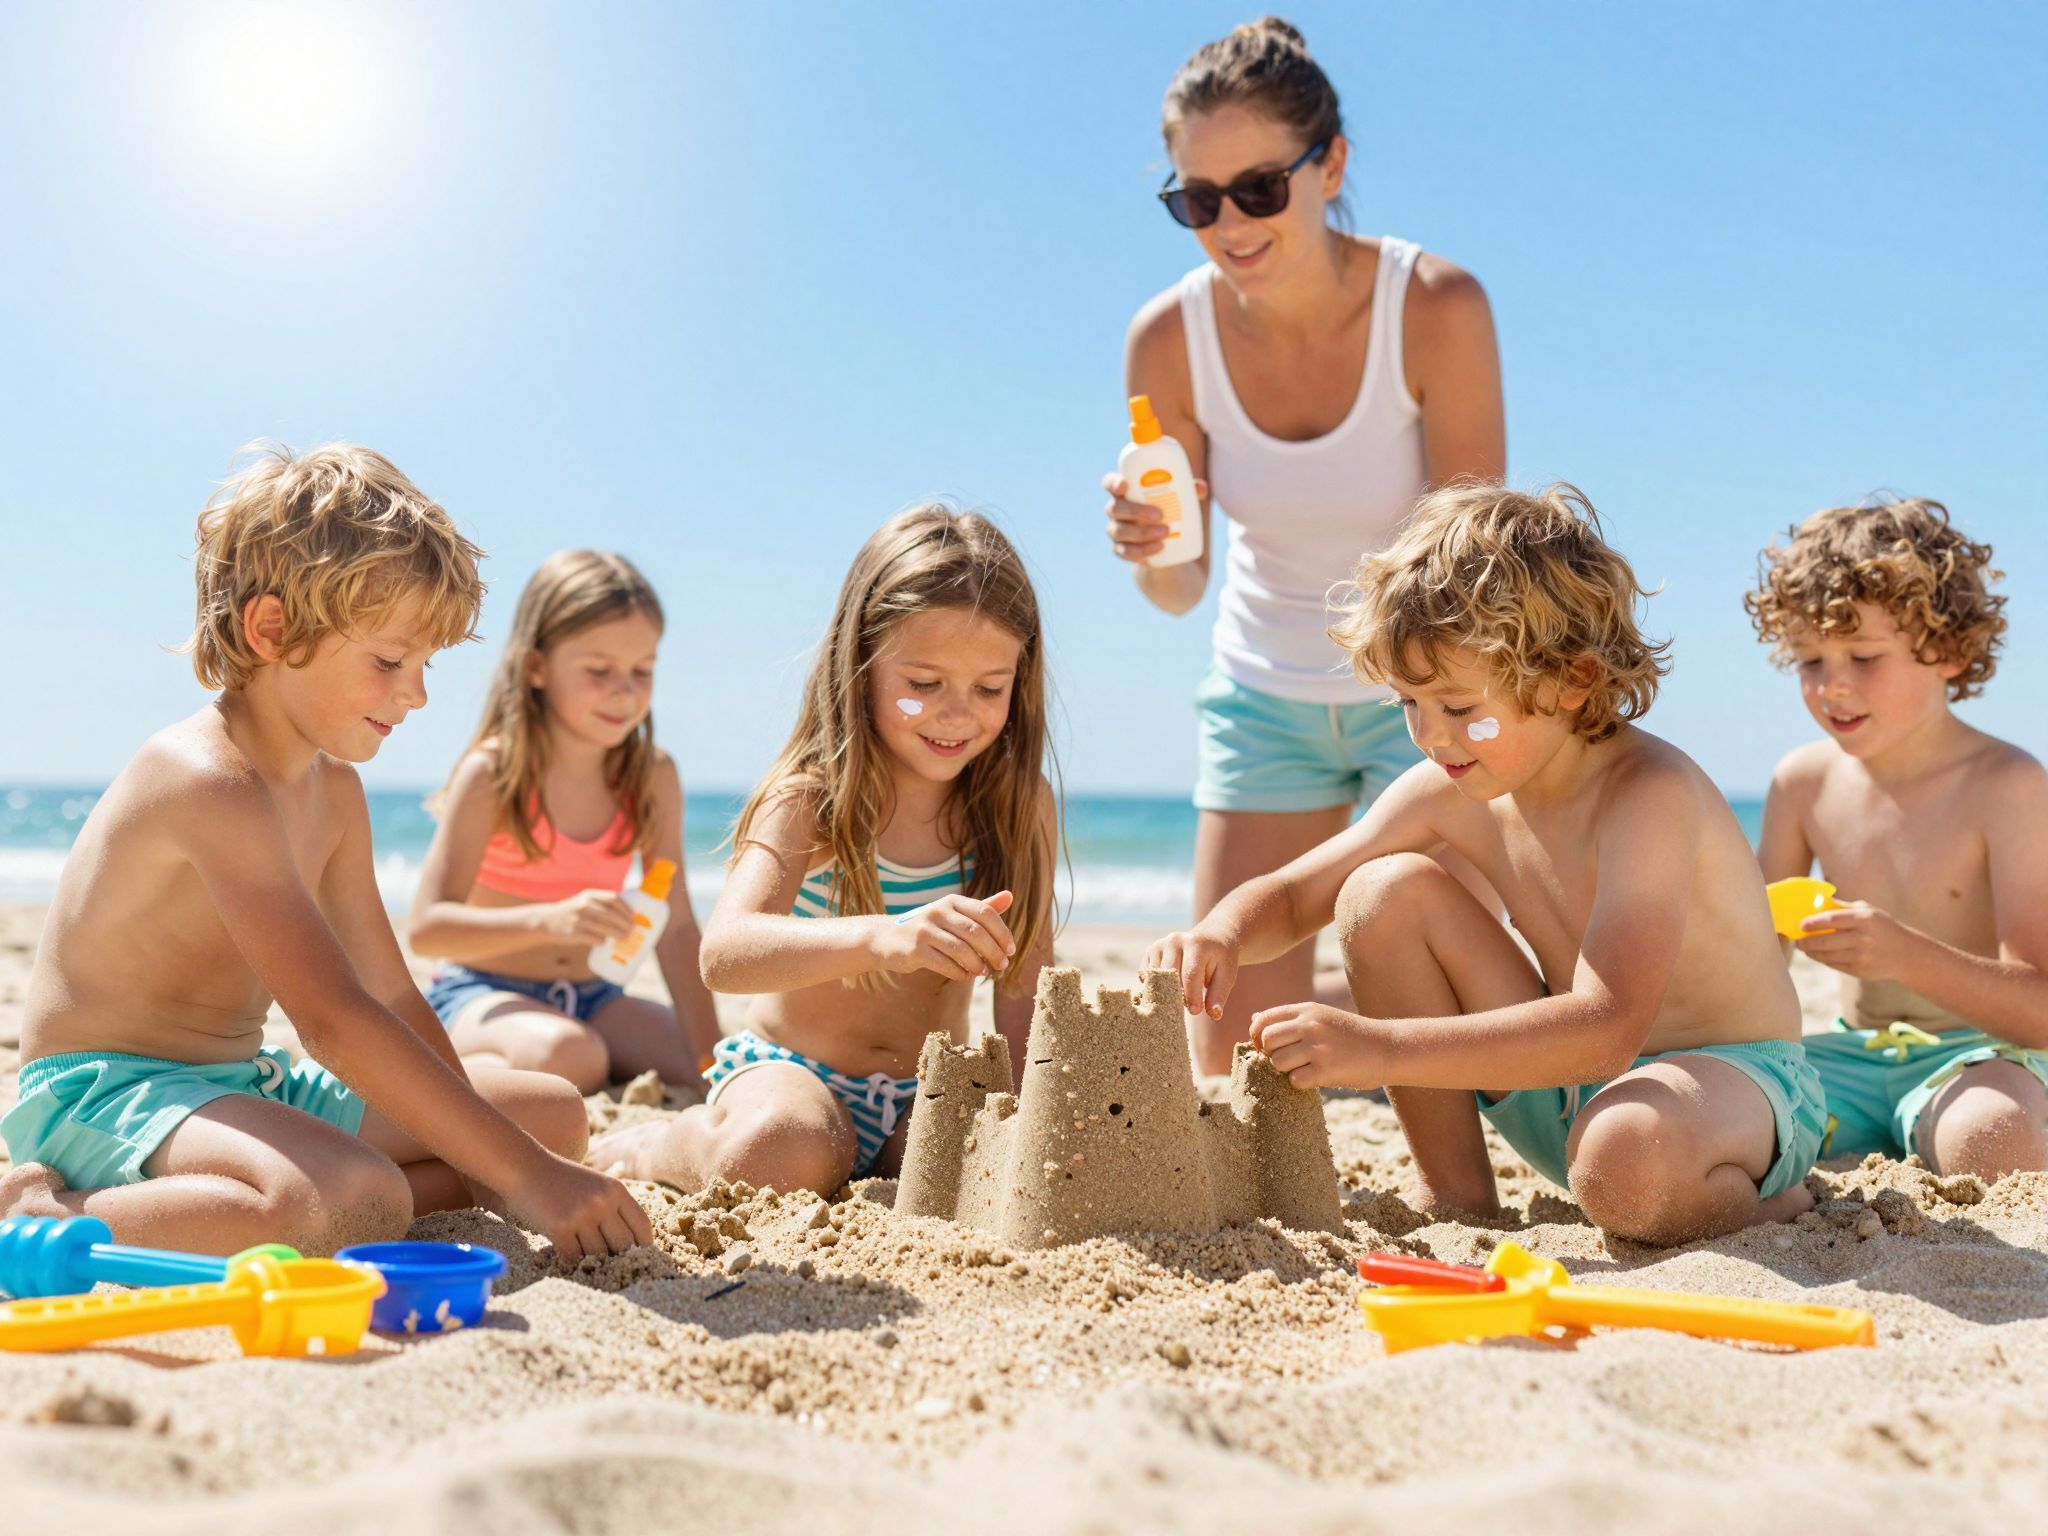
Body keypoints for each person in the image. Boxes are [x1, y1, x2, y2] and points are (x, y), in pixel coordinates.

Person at [0, 444, 651, 1261]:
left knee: (548, 1112)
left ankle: (323, 1195)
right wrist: (520, 1178)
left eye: (424, 665)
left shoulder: (334, 792)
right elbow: (335, 1021)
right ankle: (46, 1214)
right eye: (389, 661)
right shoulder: (206, 780)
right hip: (110, 1092)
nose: (417, 694)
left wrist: (499, 1151)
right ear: (272, 630)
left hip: (241, 1086)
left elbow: (391, 994)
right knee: (352, 1194)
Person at [1147, 483, 1825, 1245]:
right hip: (1570, 1088)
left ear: (1573, 680)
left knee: (1624, 1157)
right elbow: (1303, 894)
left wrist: (1377, 1049)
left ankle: (1779, 1205)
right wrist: (1224, 932)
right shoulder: (1455, 788)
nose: (1433, 738)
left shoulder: (1649, 797)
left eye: (1463, 709)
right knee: (1381, 892)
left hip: (1730, 1089)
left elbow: (1609, 1030)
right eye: (1410, 704)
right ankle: (1459, 1194)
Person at [1102, 16, 1506, 1073]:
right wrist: (1151, 545)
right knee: (1226, 1057)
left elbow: (1474, 560)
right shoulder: (1164, 339)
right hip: (1261, 696)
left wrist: (1424, 705)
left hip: (1418, 695)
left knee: (1452, 1027)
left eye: (1256, 189)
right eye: (1196, 200)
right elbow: (1177, 592)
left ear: (1328, 165)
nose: (1227, 223)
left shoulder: (1433, 305)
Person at [587, 505, 1061, 1196]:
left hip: (925, 1092)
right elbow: (724, 953)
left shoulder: (1019, 805)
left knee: (983, 1170)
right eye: (923, 685)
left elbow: (1023, 986)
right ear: (861, 665)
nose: (958, 712)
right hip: (794, 1078)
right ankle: (657, 1145)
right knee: (785, 1149)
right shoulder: (813, 797)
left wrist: (1026, 1118)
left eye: (990, 688)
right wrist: (885, 936)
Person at [1750, 497, 2048, 1179]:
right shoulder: (1802, 782)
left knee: (1992, 1139)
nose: (1833, 686)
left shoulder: (2007, 783)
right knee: (1712, 1115)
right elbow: (1755, 959)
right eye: (1809, 660)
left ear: (1945, 649)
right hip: (1846, 1056)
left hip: (1983, 1055)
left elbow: (2040, 1011)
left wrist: (1903, 955)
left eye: (1863, 654)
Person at [408, 550, 719, 1096]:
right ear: (536, 666)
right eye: (599, 671)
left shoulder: (652, 776)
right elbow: (428, 927)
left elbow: (675, 927)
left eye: (642, 671)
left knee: (712, 1058)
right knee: (571, 1055)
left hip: (594, 996)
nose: (625, 690)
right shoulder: (493, 773)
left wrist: (715, 1066)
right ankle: (435, 1072)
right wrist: (549, 921)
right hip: (478, 991)